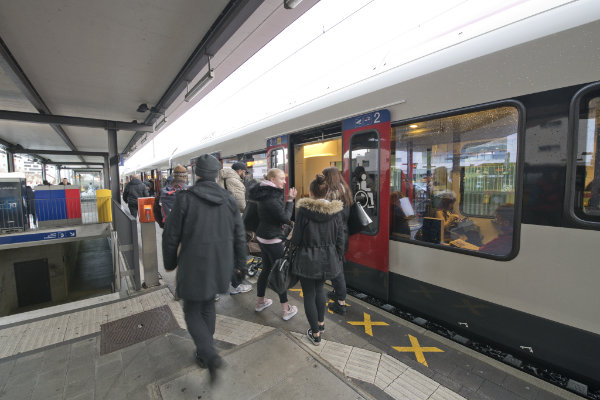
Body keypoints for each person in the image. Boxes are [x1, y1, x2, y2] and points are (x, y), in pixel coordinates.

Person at [162, 154, 246, 384]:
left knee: (191, 310)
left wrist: (170, 263)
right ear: (217, 174)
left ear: (196, 174)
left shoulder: (185, 198)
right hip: (220, 264)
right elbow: (239, 235)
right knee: (207, 305)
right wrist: (241, 265)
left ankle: (209, 354)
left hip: (193, 262)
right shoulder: (229, 200)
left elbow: (171, 236)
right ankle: (204, 351)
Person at [291, 174, 345, 345]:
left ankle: (315, 333)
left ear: (311, 192)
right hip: (328, 258)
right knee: (320, 290)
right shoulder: (336, 212)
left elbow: (296, 239)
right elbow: (340, 239)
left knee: (309, 293)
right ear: (327, 192)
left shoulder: (304, 211)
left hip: (307, 258)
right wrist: (337, 256)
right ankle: (321, 324)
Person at [248, 168, 298, 320]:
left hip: (263, 237)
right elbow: (284, 217)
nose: (284, 181)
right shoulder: (270, 196)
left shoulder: (264, 192)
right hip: (272, 239)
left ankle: (260, 301)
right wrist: (290, 200)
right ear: (272, 179)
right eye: (281, 178)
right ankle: (286, 309)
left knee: (267, 269)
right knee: (280, 272)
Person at [322, 167, 353, 315]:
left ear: (329, 177)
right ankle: (336, 293)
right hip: (343, 233)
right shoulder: (344, 189)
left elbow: (327, 215)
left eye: (324, 177)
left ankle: (341, 304)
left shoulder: (333, 193)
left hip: (336, 235)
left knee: (337, 269)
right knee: (337, 265)